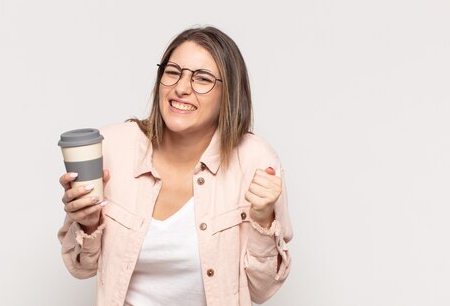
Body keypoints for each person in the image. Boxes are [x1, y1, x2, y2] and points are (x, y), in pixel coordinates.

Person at [58, 26, 293, 306]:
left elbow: (262, 289)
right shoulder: (112, 147)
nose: (181, 88)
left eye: (202, 79)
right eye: (172, 72)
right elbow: (81, 267)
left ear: (228, 93)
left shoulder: (255, 159)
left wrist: (264, 219)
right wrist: (86, 223)